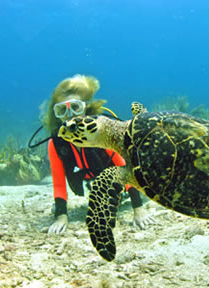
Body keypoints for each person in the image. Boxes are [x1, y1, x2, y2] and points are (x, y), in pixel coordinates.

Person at [41, 74, 154, 234]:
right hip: (92, 174)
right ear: (56, 113)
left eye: (75, 107)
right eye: (62, 109)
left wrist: (138, 208)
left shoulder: (103, 132)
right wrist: (61, 216)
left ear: (85, 107)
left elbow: (124, 166)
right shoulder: (56, 143)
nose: (70, 115)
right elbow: (59, 182)